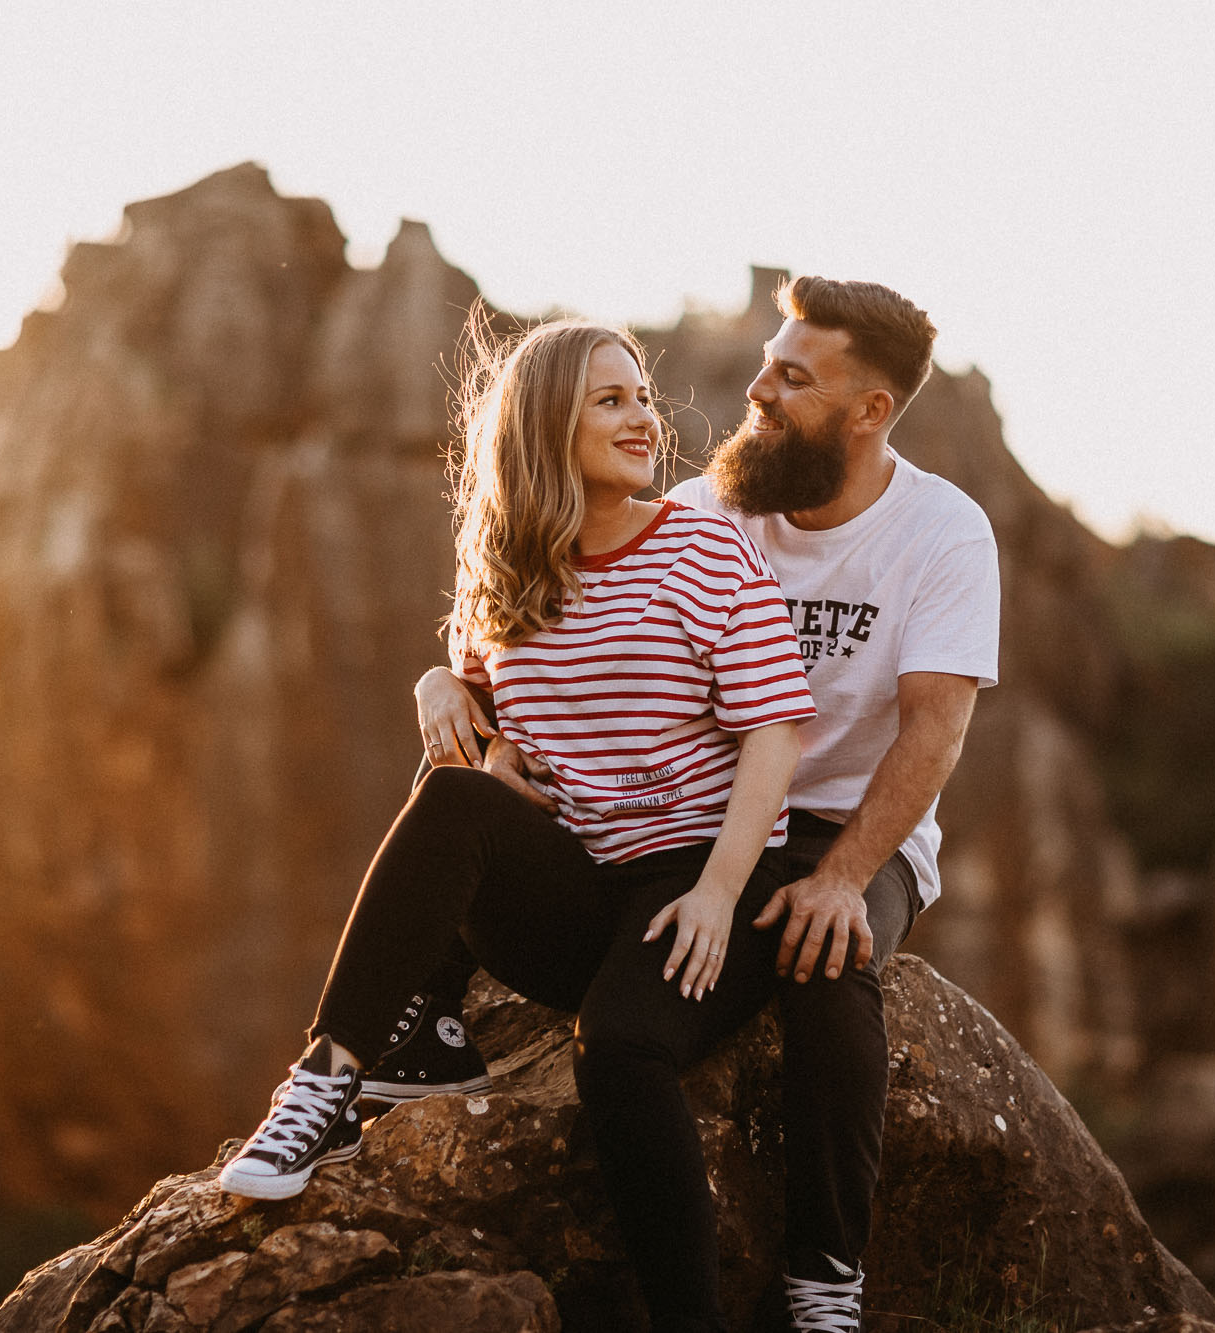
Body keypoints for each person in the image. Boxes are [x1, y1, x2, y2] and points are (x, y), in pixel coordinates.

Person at [218, 316, 816, 1331]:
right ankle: (326, 1083)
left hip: (707, 878)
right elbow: (482, 728)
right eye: (609, 400)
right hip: (583, 888)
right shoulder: (504, 571)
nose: (643, 418)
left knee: (619, 1045)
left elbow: (774, 731)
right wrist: (436, 683)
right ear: (546, 426)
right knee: (452, 795)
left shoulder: (703, 549)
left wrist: (720, 891)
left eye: (641, 396)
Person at [429, 276, 999, 1331]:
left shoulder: (941, 532)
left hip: (845, 824)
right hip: (711, 814)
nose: (757, 390)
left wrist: (841, 880)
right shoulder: (702, 512)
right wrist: (446, 686)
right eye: (766, 364)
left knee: (825, 961)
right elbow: (534, 608)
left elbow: (933, 728)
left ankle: (824, 1282)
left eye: (791, 377)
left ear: (868, 410)